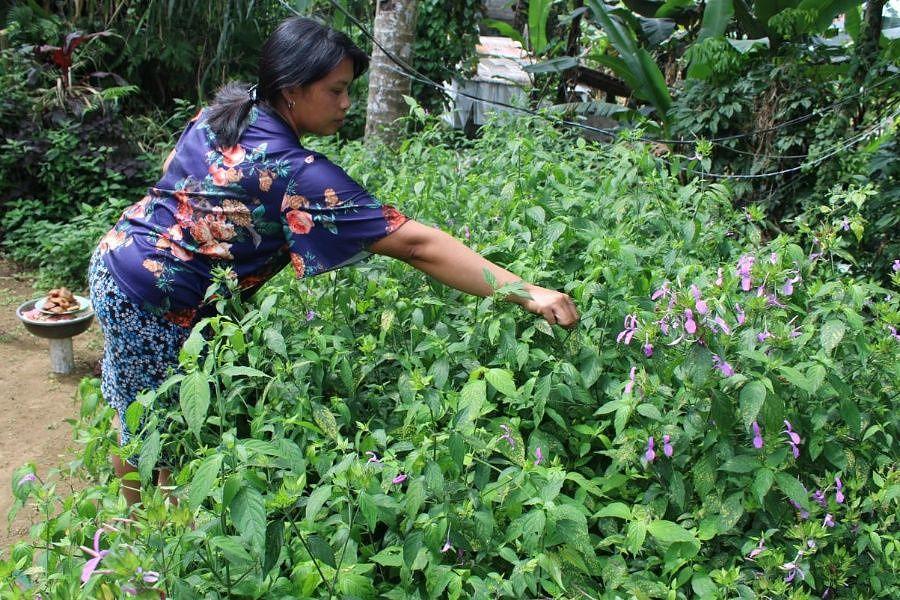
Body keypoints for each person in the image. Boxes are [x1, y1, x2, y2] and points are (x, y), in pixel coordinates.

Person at [88, 16, 578, 506]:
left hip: (115, 262)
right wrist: (525, 291)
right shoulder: (295, 173)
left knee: (130, 408)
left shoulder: (227, 110)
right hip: (155, 303)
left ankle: (137, 538)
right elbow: (415, 244)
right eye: (337, 90)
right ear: (293, 89)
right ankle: (151, 560)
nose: (347, 103)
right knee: (163, 439)